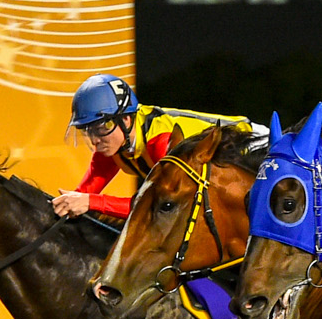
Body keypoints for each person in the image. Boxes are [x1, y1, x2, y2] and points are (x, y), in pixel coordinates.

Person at [51, 73, 249, 220]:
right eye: (88, 131)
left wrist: (91, 202)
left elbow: (159, 206)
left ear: (126, 120)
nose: (95, 140)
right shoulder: (113, 143)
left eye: (101, 128)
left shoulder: (161, 141)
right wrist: (69, 204)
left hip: (252, 150)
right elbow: (82, 194)